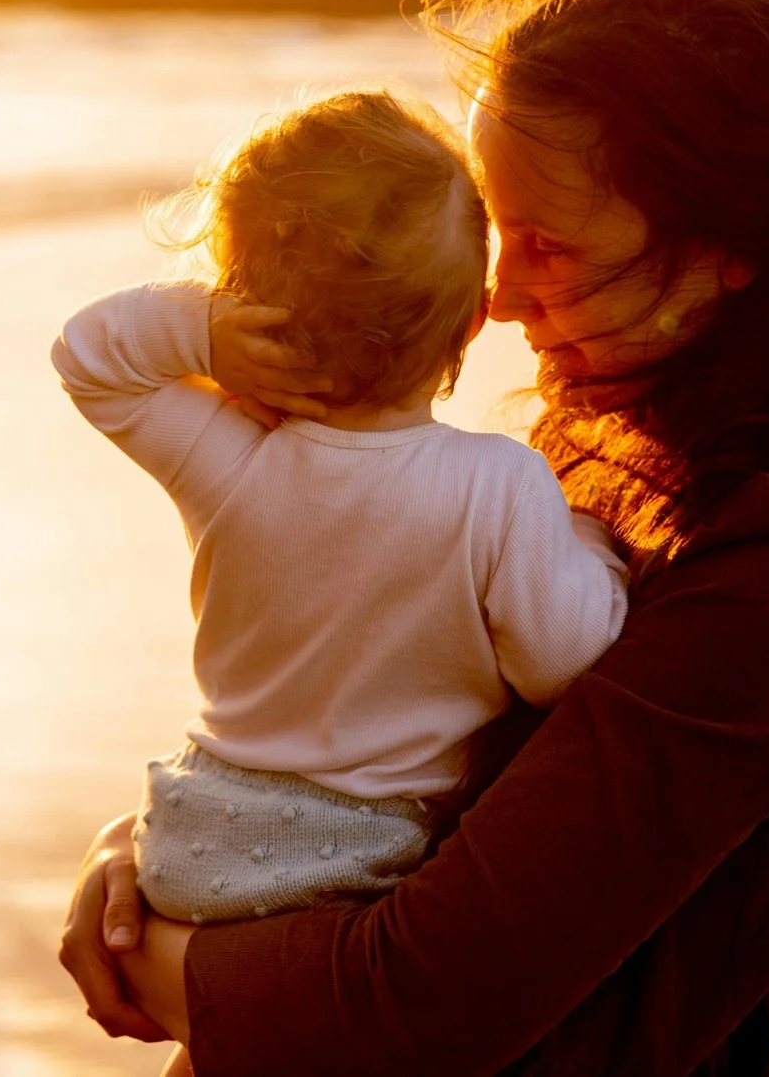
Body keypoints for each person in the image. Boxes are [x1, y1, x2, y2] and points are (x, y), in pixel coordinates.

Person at [58, 0, 769, 1075]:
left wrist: (166, 960)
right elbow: (407, 753)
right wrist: (165, 849)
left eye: (549, 245)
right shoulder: (611, 436)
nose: (499, 295)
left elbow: (421, 1001)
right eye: (493, 228)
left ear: (726, 253)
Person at [49, 91, 632, 1039]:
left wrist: (204, 335)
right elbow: (565, 659)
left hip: (194, 839)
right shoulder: (502, 488)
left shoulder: (232, 458)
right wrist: (593, 546)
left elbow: (90, 357)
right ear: (471, 323)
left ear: (249, 295)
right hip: (357, 861)